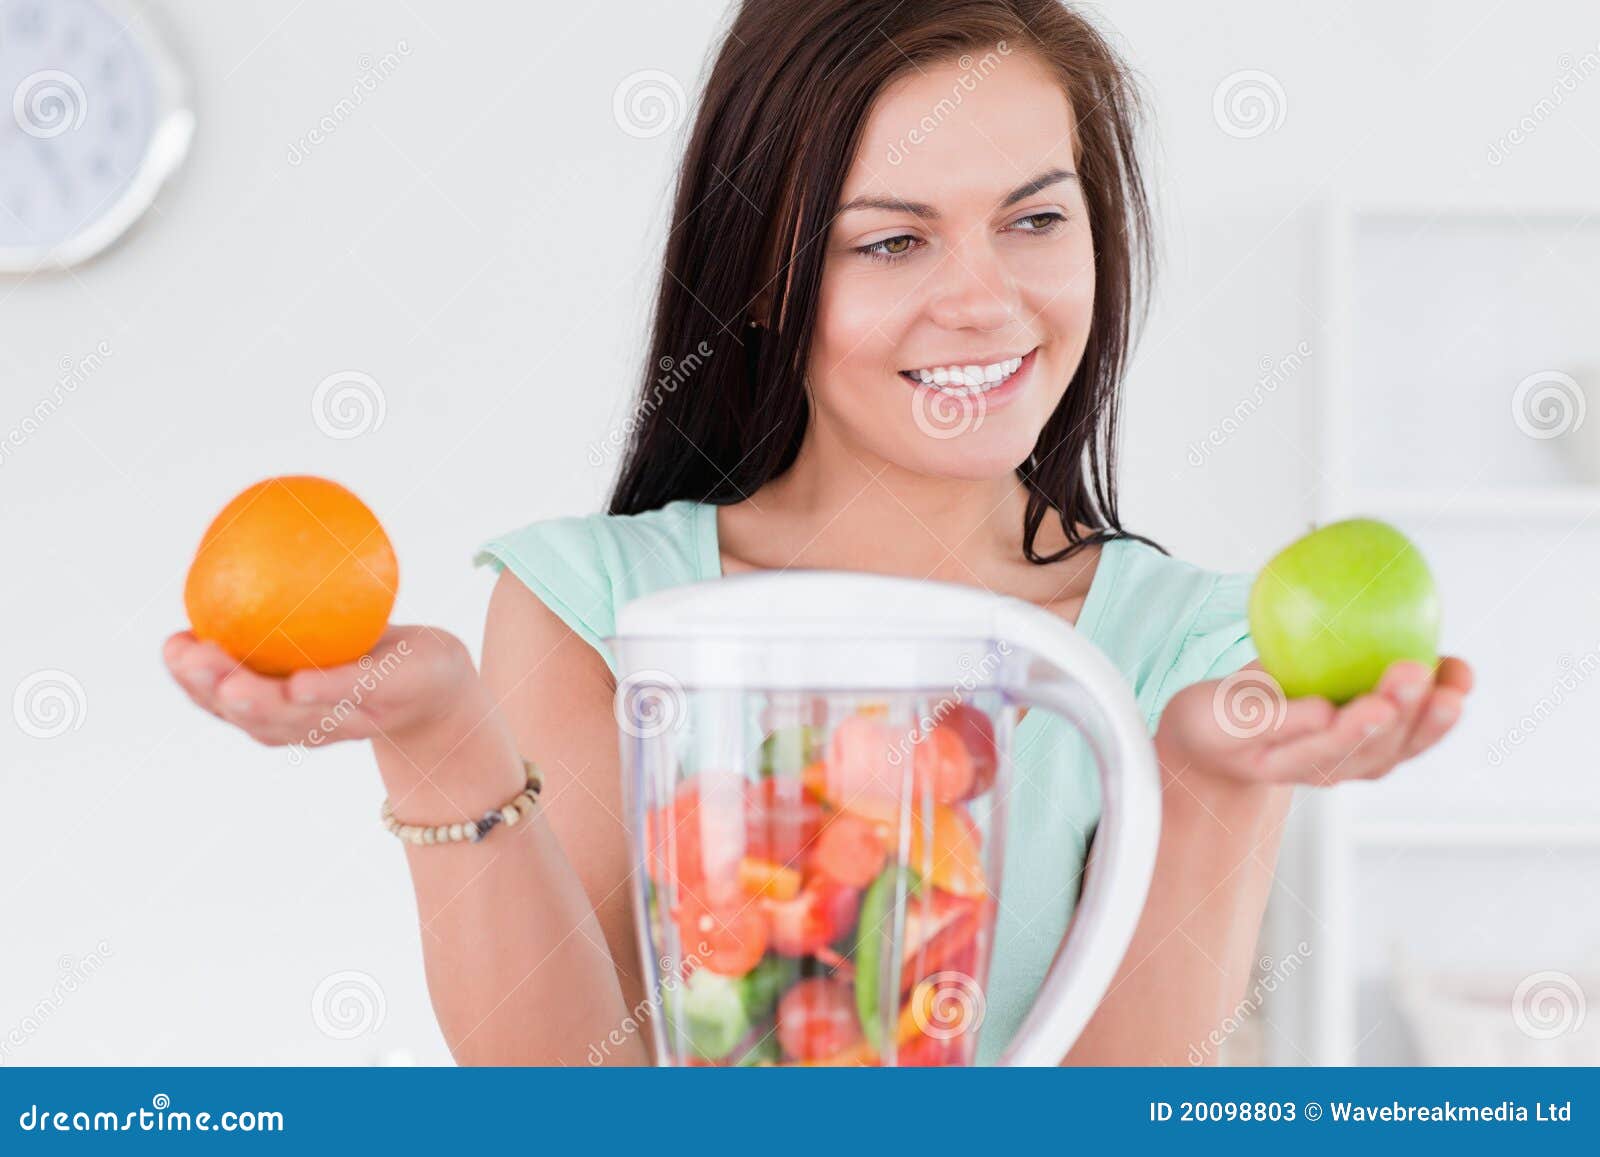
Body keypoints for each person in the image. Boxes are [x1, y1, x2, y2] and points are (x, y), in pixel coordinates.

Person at [162, 0, 1472, 1065]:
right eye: (892, 242)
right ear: (760, 277)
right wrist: (440, 738)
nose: (985, 300)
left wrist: (1210, 784)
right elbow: (571, 1102)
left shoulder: (1197, 651)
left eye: (1034, 219)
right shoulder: (591, 604)